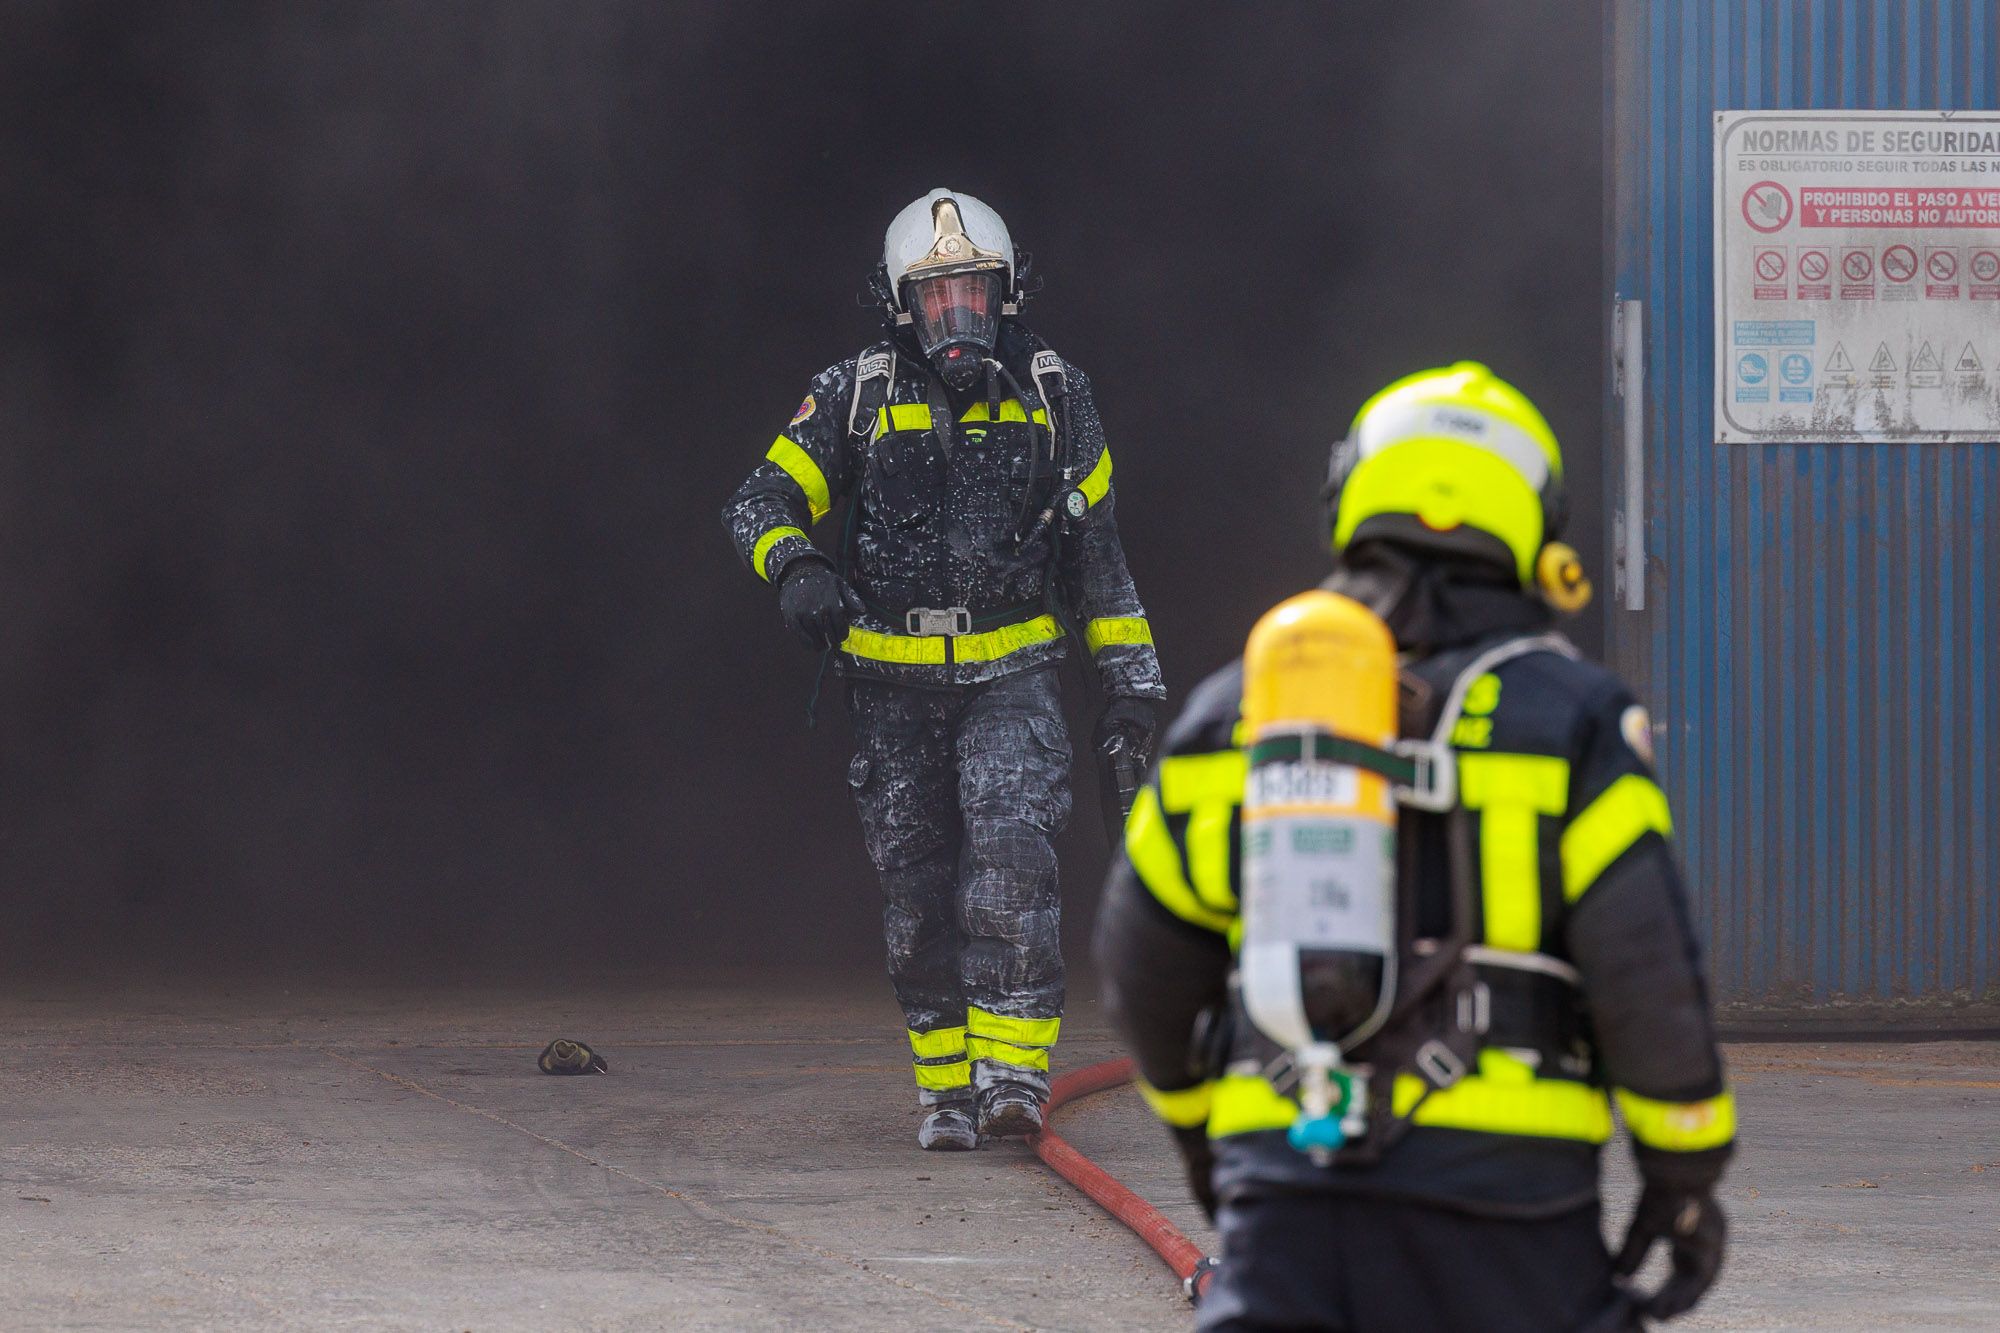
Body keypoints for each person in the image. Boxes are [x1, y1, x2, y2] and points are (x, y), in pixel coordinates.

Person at [1094, 363, 1734, 1330]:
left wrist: (1203, 1136)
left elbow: (1143, 966)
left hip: (1288, 1196)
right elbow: (1643, 970)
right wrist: (1683, 1174)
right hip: (1509, 1209)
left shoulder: (1237, 713)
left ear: (1350, 501)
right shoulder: (1577, 720)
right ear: (1533, 529)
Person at [723, 190, 1165, 1150]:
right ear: (900, 303)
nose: (955, 313)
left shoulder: (1056, 392)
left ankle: (1014, 1079)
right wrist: (795, 567)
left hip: (1014, 676)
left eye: (972, 289)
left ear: (1005, 292)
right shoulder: (856, 393)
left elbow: (1100, 561)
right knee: (917, 896)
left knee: (1010, 870)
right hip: (890, 690)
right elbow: (760, 499)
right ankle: (946, 1092)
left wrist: (1131, 685)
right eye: (935, 294)